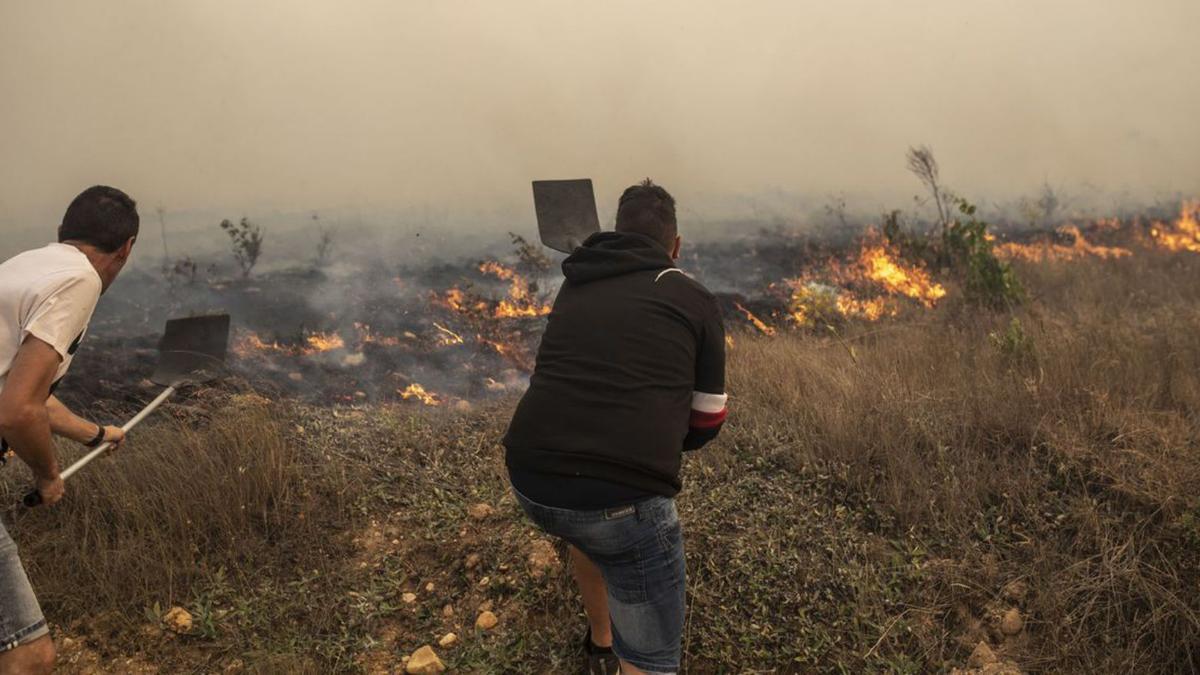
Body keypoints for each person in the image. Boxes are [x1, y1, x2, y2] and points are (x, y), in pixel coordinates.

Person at [504, 179, 728, 675]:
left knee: (592, 529)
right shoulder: (695, 299)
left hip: (532, 479)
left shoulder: (577, 280)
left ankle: (601, 646)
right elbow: (708, 419)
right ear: (676, 246)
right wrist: (662, 440)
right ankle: (630, 658)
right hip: (623, 502)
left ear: (616, 232)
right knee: (649, 656)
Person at [0, 186, 138, 674]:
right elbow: (17, 411)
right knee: (28, 655)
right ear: (125, 248)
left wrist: (95, 434)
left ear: (64, 232)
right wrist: (47, 475)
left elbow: (20, 391)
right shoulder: (80, 280)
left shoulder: (25, 265)